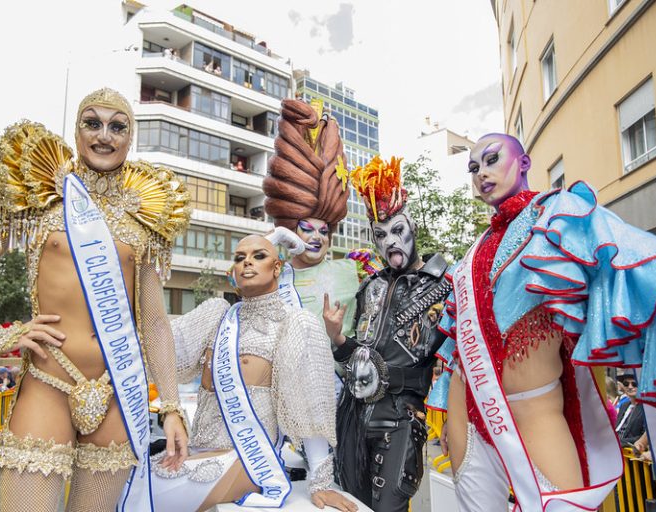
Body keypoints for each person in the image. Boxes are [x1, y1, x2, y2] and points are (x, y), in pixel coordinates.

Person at [0, 88, 191, 512]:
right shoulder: (42, 200)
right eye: (93, 123)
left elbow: (155, 324)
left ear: (131, 137)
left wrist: (172, 408)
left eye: (117, 126)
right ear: (77, 130)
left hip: (115, 394)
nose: (104, 135)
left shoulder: (142, 219)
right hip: (47, 386)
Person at [429, 133, 656, 511]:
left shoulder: (558, 212)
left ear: (524, 163)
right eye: (473, 168)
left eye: (491, 160)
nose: (482, 174)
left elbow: (637, 258)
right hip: (467, 414)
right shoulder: (473, 251)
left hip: (534, 410)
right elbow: (458, 346)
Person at [151, 235, 357, 512]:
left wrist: (321, 483)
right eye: (239, 257)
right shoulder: (217, 315)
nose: (247, 261)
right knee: (126, 478)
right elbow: (158, 350)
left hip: (247, 458)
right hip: (197, 449)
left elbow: (312, 409)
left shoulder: (295, 323)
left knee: (150, 492)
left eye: (259, 256)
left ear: (277, 268)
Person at [323, 155, 451, 512]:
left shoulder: (446, 285)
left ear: (413, 226)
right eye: (381, 235)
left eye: (398, 230)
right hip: (353, 418)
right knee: (350, 505)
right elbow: (362, 357)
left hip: (399, 419)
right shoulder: (371, 287)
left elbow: (459, 360)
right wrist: (337, 339)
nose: (390, 241)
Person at [263, 99, 371, 379]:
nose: (316, 237)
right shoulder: (272, 276)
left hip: (338, 394)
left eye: (324, 231)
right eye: (307, 229)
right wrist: (272, 239)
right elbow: (239, 277)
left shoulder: (354, 270)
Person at [615, 375, 645, 446]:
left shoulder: (645, 408)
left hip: (629, 450)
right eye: (626, 384)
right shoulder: (624, 405)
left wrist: (619, 442)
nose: (630, 387)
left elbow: (643, 437)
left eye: (634, 384)